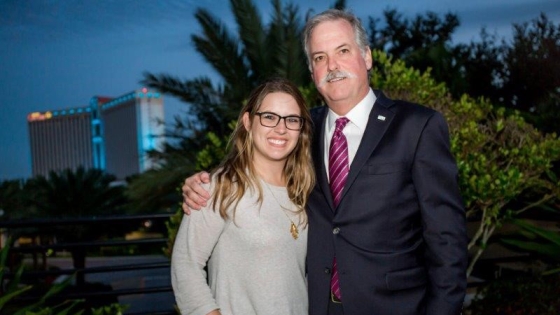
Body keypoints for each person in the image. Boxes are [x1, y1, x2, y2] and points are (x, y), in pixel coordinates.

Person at [182, 9, 468, 315]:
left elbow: (446, 240)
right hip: (318, 307)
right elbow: (256, 165)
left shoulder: (417, 126)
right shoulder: (300, 128)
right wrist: (203, 184)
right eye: (319, 58)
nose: (332, 65)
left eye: (343, 51)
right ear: (312, 72)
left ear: (367, 57)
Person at [171, 77, 315, 315]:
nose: (281, 128)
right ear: (248, 122)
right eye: (269, 117)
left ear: (301, 130)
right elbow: (185, 265)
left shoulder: (304, 191)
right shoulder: (220, 187)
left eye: (291, 120)